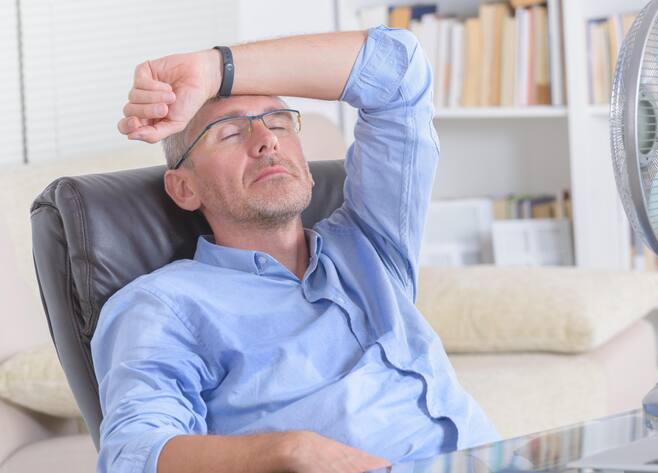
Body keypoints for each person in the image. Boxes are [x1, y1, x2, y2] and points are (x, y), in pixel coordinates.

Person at [94, 25, 499, 473]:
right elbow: (132, 455)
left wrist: (214, 69)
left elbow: (397, 71)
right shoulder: (163, 305)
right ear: (184, 188)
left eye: (279, 122)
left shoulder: (371, 243)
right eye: (229, 133)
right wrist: (288, 451)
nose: (266, 140)